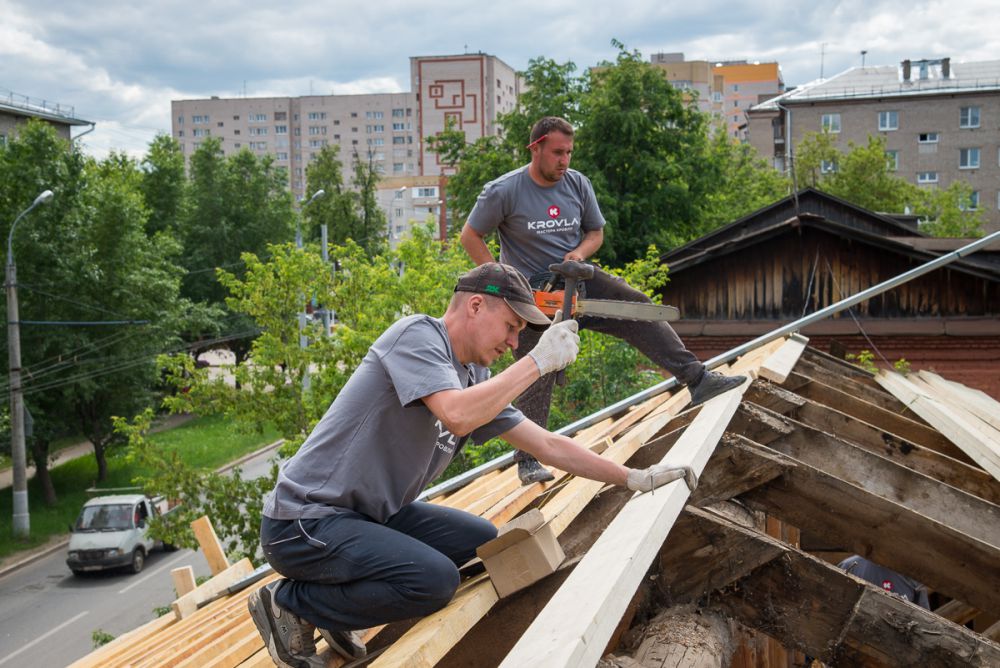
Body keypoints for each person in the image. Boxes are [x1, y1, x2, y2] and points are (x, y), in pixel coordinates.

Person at [248, 262, 698, 668]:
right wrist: (537, 363)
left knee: (483, 543)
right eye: (510, 326)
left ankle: (335, 607)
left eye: (521, 333)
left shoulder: (474, 376)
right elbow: (457, 413)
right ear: (476, 306)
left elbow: (544, 445)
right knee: (434, 582)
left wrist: (633, 477)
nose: (514, 342)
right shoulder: (417, 337)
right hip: (306, 521)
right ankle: (292, 603)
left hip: (368, 515)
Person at [461, 115, 747, 485]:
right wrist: (508, 284)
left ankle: (697, 379)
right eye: (557, 153)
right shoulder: (504, 191)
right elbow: (471, 236)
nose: (564, 161)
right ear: (536, 148)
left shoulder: (578, 184)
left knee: (637, 309)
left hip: (578, 280)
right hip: (533, 297)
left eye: (569, 153)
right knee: (536, 372)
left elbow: (595, 233)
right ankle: (528, 460)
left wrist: (578, 254)